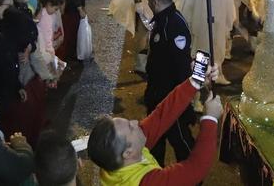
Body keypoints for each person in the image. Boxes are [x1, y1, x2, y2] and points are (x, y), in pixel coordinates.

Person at [86, 64, 222, 186]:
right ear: (128, 153)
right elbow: (196, 168)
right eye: (130, 127)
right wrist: (210, 119)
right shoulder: (148, 182)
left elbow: (162, 114)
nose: (135, 122)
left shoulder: (118, 160)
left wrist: (195, 80)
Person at [142, 0, 193, 163]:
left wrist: (182, 101)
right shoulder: (162, 21)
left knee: (181, 141)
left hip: (170, 98)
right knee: (154, 141)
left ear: (155, 1)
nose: (147, 2)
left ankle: (192, 179)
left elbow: (182, 66)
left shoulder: (174, 25)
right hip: (156, 94)